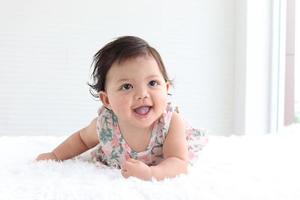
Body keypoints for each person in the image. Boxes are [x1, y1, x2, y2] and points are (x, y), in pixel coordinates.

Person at [36, 36, 207, 181]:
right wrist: (55, 156)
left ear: (166, 88)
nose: (142, 94)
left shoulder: (169, 123)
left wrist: (151, 173)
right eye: (126, 86)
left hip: (163, 161)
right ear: (107, 100)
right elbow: (81, 140)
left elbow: (178, 162)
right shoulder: (106, 125)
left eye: (152, 83)